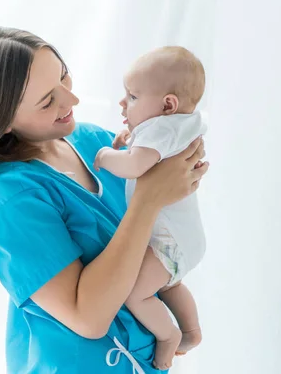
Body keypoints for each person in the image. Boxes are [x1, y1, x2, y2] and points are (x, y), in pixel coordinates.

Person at [0, 27, 208, 373]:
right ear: (2, 122)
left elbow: (164, 184)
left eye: (64, 78)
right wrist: (149, 199)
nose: (72, 100)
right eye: (48, 100)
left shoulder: (93, 140)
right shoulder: (12, 200)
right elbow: (88, 317)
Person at [94, 46, 208, 370]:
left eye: (131, 97)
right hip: (183, 239)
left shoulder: (163, 128)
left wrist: (104, 155)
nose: (122, 103)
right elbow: (152, 142)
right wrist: (132, 133)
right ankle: (192, 331)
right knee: (170, 283)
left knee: (136, 294)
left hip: (166, 241)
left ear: (167, 104)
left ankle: (169, 335)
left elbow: (135, 165)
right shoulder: (184, 123)